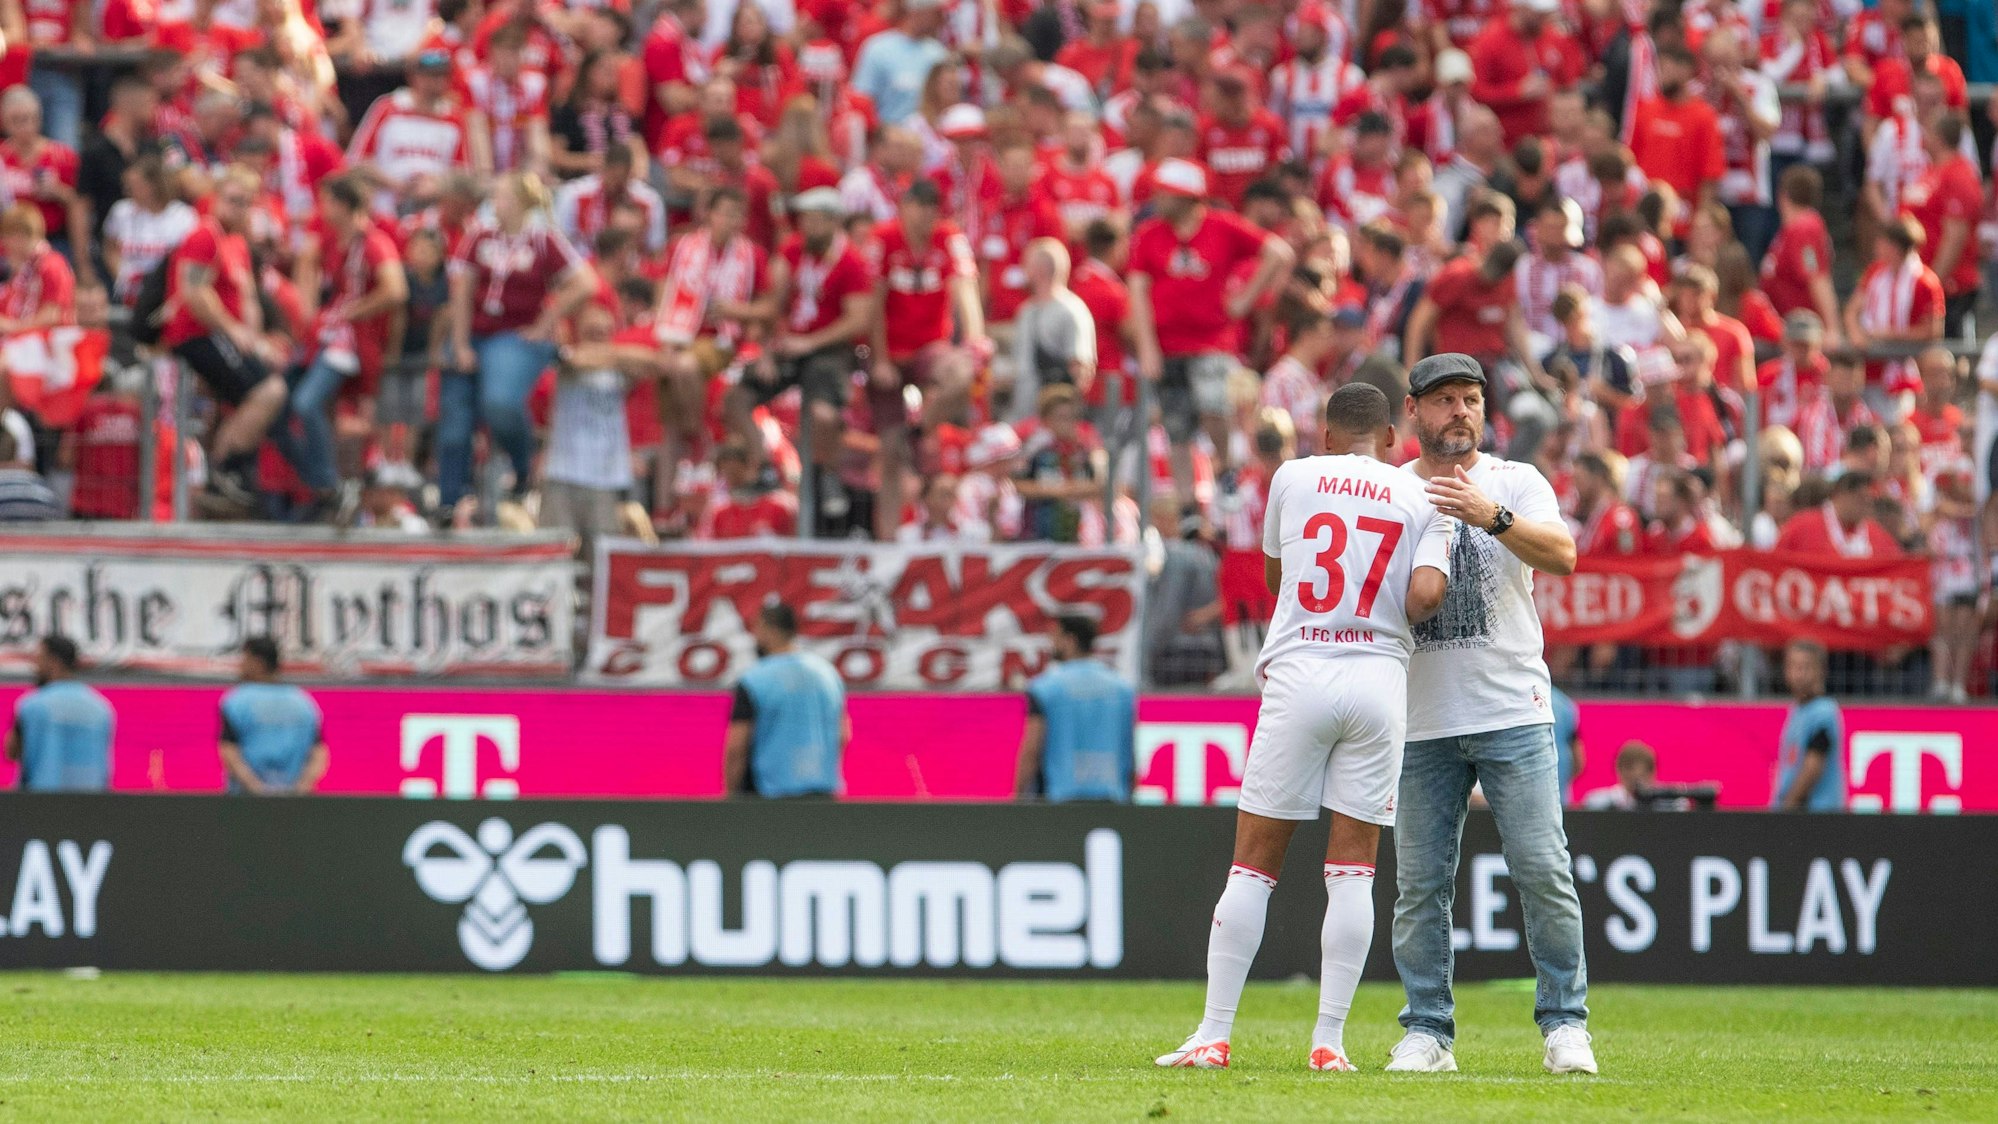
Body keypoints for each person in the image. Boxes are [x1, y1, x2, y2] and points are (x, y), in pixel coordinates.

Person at [1156, 383, 1451, 1073]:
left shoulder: (1293, 477)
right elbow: (1428, 595)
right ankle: (1329, 1043)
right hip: (1379, 678)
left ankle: (1214, 1034)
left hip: (1302, 670)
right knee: (1352, 871)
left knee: (1253, 865)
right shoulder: (1420, 497)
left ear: (1324, 434)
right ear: (1391, 439)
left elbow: (1273, 572)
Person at [1388, 353, 1594, 1076]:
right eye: (1443, 400)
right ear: (1413, 411)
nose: (1460, 412)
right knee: (1420, 885)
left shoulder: (1516, 481)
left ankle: (1567, 1024)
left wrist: (1492, 516)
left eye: (1470, 398)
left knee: (1543, 869)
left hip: (1514, 709)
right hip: (1419, 719)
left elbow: (1564, 555)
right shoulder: (1388, 491)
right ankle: (1426, 1031)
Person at [1127, 158, 1294, 509]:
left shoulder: (1223, 227)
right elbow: (1138, 292)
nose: (1156, 198)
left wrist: (1245, 299)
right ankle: (1188, 504)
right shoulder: (1148, 234)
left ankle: (1227, 469)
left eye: (1165, 192)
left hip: (1212, 341)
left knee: (1212, 406)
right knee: (1177, 429)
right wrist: (1147, 347)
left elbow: (1278, 252)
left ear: (1187, 198)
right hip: (1168, 344)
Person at [443, 171, 598, 523]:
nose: (493, 204)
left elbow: (585, 283)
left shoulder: (543, 240)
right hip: (477, 331)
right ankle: (449, 500)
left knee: (500, 402)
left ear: (517, 202)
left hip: (514, 333)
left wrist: (546, 321)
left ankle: (522, 462)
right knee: (454, 424)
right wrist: (460, 343)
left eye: (499, 196)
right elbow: (462, 291)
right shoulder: (478, 236)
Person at [725, 603, 848, 799]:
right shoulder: (828, 674)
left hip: (770, 799)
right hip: (823, 795)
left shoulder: (754, 680)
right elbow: (843, 735)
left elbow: (737, 747)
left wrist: (731, 797)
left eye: (756, 629)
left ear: (766, 629)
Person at [1015, 614, 1136, 804]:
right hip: (1111, 799)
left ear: (1070, 640)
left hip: (1061, 799)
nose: (1051, 643)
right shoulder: (1122, 689)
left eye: (1055, 636)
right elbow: (1128, 749)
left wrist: (1019, 796)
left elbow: (1033, 748)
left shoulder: (1045, 688)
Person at [219, 637, 329, 796]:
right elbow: (319, 753)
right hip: (294, 807)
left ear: (257, 662)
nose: (240, 666)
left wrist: (257, 789)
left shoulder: (237, 701)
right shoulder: (303, 702)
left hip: (245, 804)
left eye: (244, 659)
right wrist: (300, 790)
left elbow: (229, 750)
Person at [5, 635, 113, 793]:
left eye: (39, 659)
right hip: (91, 808)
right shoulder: (101, 708)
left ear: (54, 662)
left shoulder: (32, 705)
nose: (35, 666)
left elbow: (12, 751)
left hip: (41, 808)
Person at [1774, 639, 1843, 812]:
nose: (1798, 674)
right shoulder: (1798, 711)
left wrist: (1788, 805)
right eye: (1793, 667)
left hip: (1814, 815)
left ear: (1821, 671)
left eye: (1805, 667)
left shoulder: (1824, 713)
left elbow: (1813, 766)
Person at [1581, 742, 1659, 811]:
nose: (1636, 780)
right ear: (1619, 770)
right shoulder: (1598, 801)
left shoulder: (1661, 803)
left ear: (1652, 773)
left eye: (1643, 775)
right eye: (1629, 771)